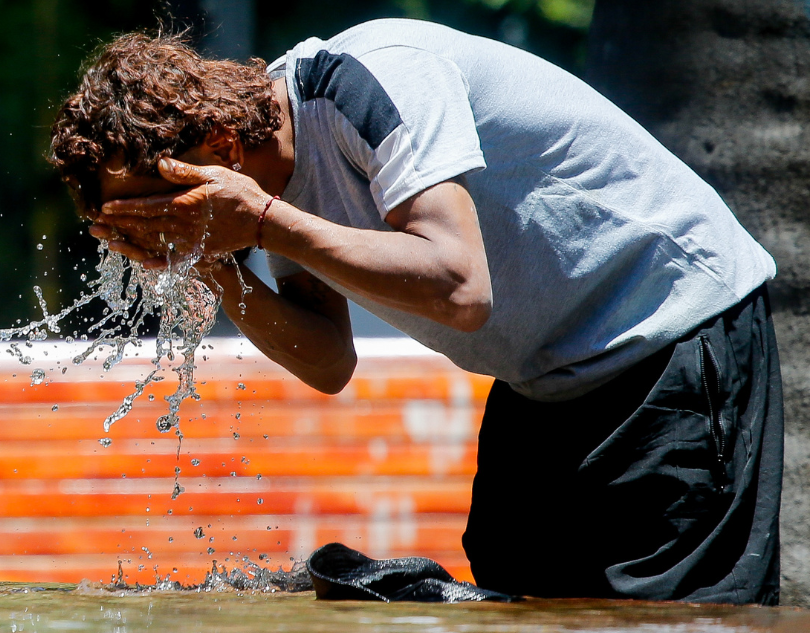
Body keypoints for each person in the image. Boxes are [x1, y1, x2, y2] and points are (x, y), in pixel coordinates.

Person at [48, 19, 783, 604]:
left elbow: (461, 287)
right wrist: (211, 263)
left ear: (218, 146)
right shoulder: (269, 184)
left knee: (673, 620)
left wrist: (263, 223)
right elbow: (328, 359)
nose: (166, 232)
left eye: (165, 211)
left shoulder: (370, 80)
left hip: (673, 334)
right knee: (515, 592)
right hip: (550, 378)